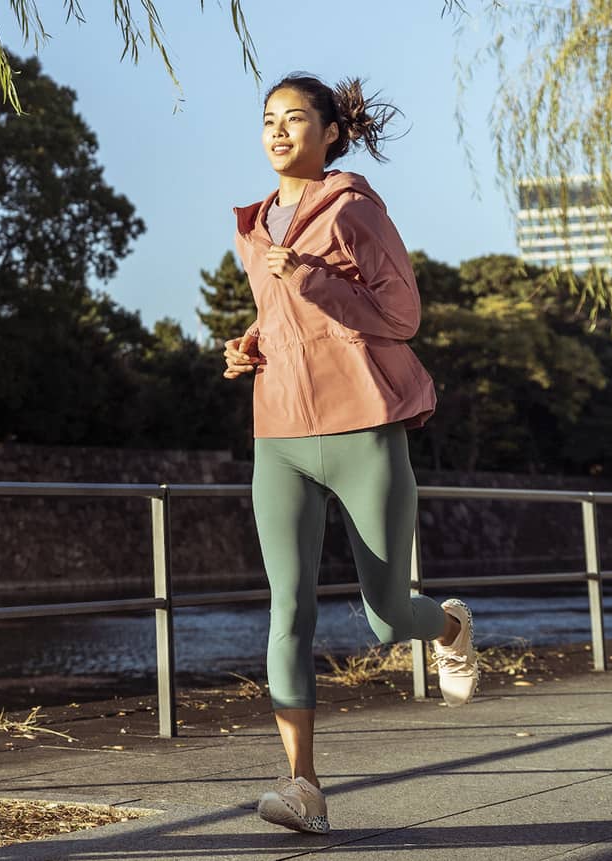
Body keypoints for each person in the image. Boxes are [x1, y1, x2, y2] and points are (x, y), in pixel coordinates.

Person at [222, 74, 479, 836]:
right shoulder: (255, 223)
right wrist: (250, 346)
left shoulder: (357, 209)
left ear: (332, 132)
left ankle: (449, 627)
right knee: (288, 607)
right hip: (280, 435)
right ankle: (303, 786)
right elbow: (280, 318)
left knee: (384, 615)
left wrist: (310, 279)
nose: (277, 131)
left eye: (295, 118)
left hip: (364, 425)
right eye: (268, 119)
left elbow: (401, 315)